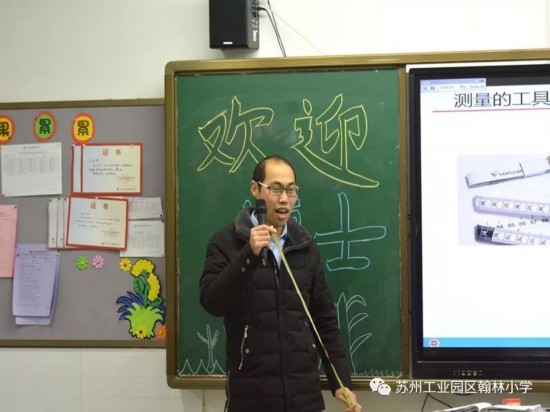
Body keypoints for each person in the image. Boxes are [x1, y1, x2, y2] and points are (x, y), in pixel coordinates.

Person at [199, 155, 362, 412]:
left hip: (304, 396)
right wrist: (249, 255)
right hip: (251, 398)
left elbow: (324, 319)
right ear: (255, 189)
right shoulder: (227, 242)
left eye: (291, 190)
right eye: (275, 189)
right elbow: (212, 302)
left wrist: (340, 381)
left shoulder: (304, 245)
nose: (284, 199)